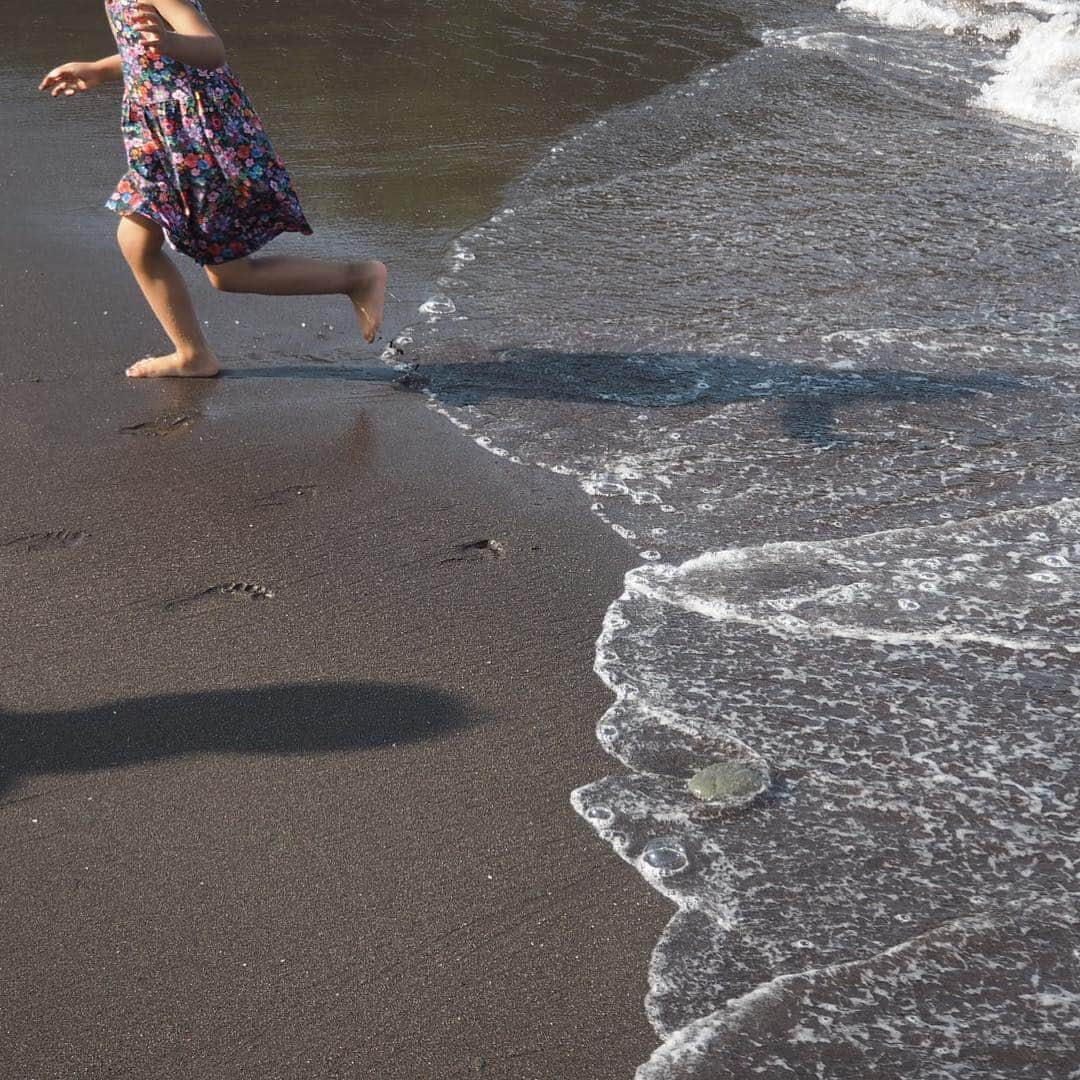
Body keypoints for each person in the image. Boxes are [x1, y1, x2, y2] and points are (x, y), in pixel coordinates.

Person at [39, 0, 387, 378]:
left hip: (197, 144)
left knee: (227, 274)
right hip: (162, 144)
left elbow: (210, 48)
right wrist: (99, 69)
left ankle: (357, 278)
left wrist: (170, 42)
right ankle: (192, 354)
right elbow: (145, 54)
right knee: (144, 245)